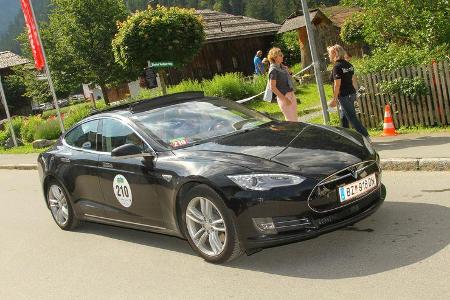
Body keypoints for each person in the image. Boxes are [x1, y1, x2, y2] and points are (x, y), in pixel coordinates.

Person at [328, 44, 369, 137]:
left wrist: (334, 99)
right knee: (344, 117)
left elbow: (337, 84)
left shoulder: (337, 67)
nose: (329, 56)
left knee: (352, 117)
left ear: (335, 53)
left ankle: (366, 136)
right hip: (351, 94)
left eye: (330, 54)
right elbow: (353, 79)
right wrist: (355, 91)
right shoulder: (349, 65)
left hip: (344, 96)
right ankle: (345, 136)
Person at [267, 47, 298, 122]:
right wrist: (285, 99)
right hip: (284, 97)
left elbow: (290, 78)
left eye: (282, 55)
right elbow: (273, 88)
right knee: (291, 122)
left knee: (295, 121)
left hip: (291, 94)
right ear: (275, 57)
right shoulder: (273, 70)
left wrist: (287, 70)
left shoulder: (282, 67)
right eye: (280, 55)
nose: (282, 56)